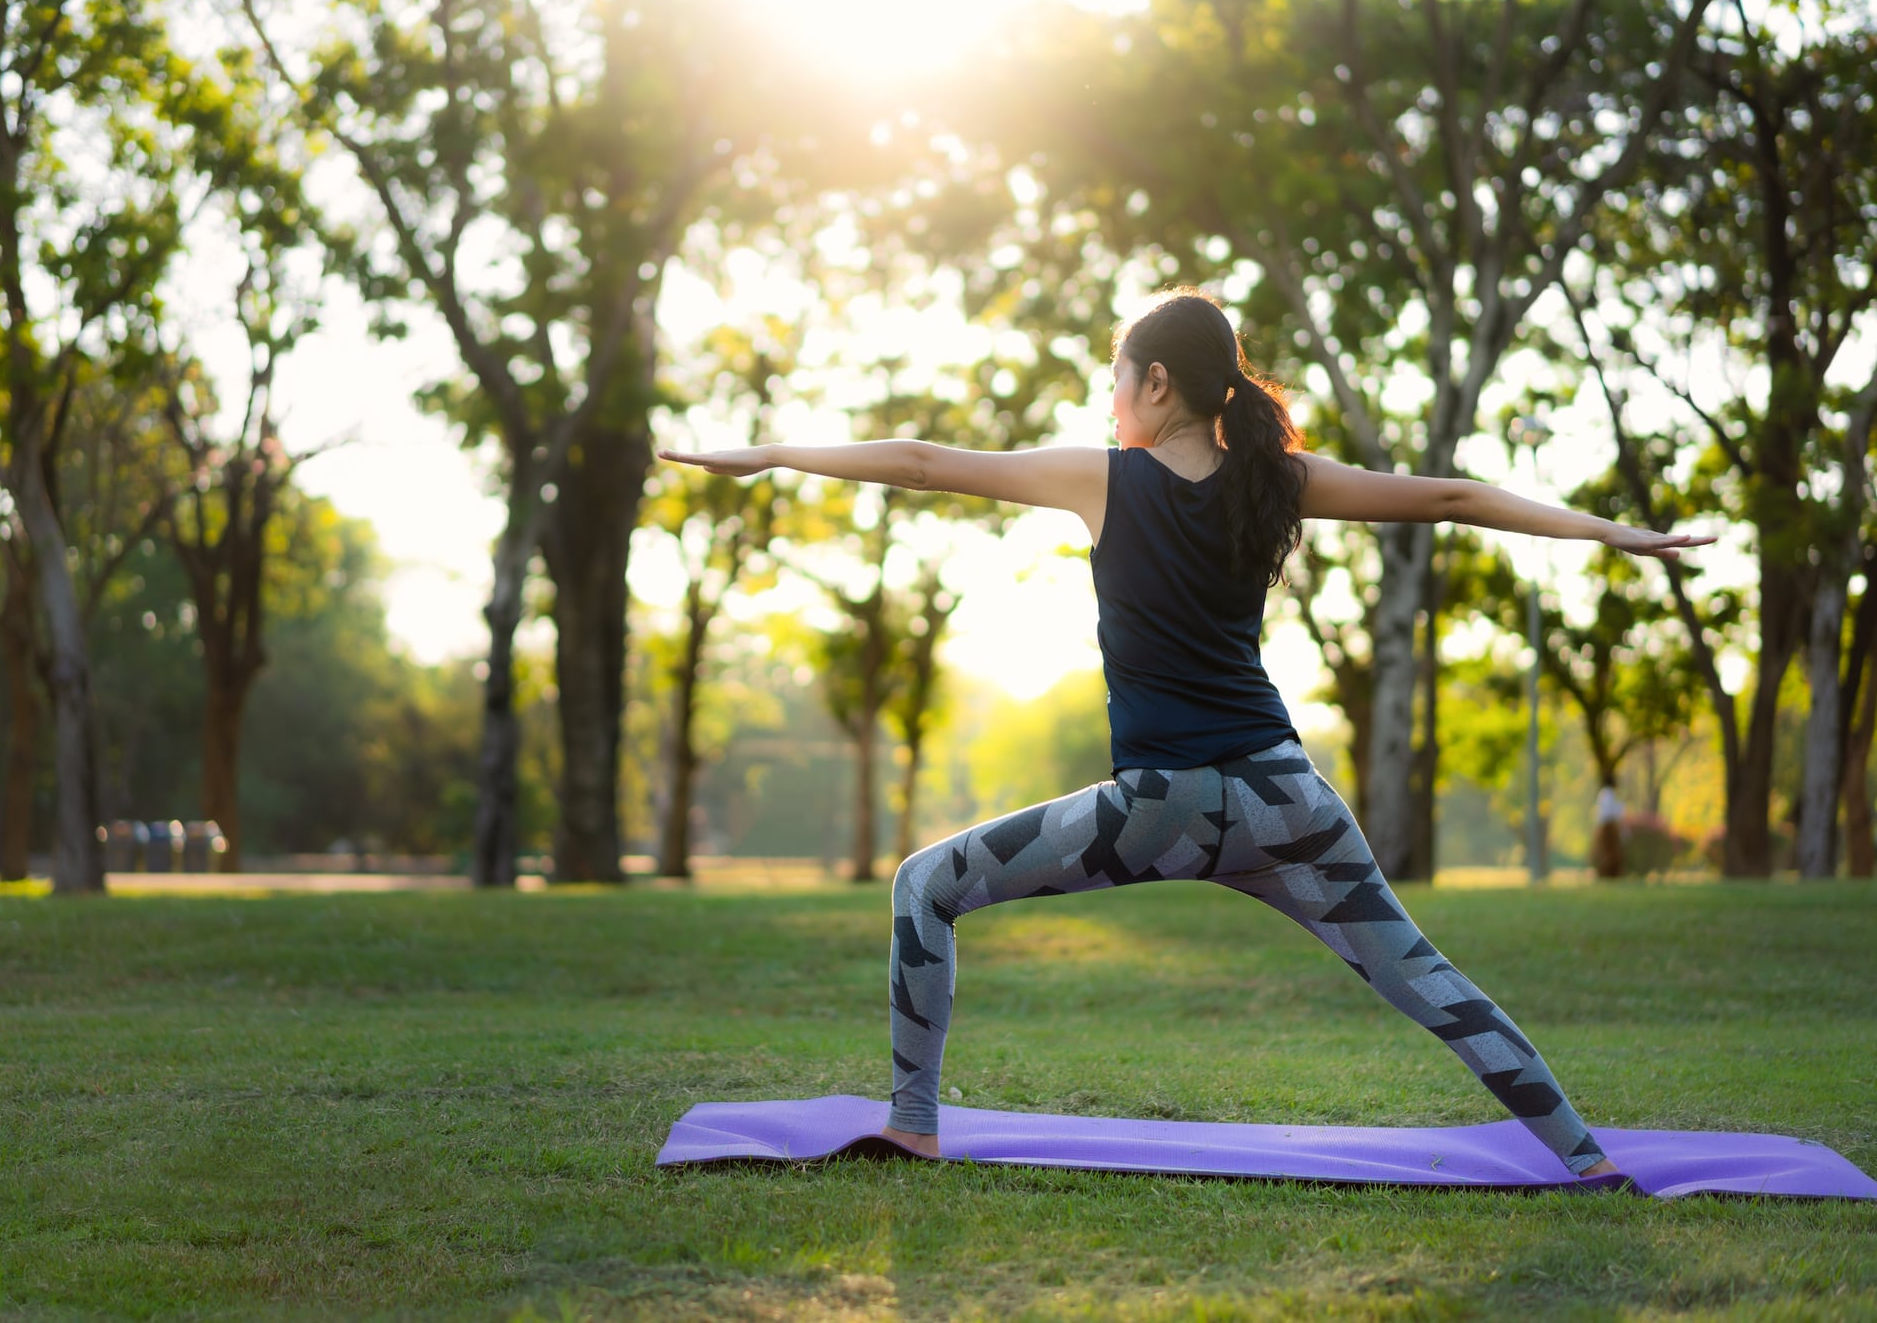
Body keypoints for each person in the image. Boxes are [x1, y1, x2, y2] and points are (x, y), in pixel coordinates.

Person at [660, 288, 1713, 1180]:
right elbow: (1450, 494)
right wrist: (1615, 534)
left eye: (1116, 376)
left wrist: (770, 454)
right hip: (1286, 804)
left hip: (1160, 809)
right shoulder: (1276, 483)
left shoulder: (1102, 479)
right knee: (1428, 981)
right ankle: (1584, 1158)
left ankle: (911, 1123)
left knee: (923, 886)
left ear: (1155, 383)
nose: (1108, 397)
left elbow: (924, 462)